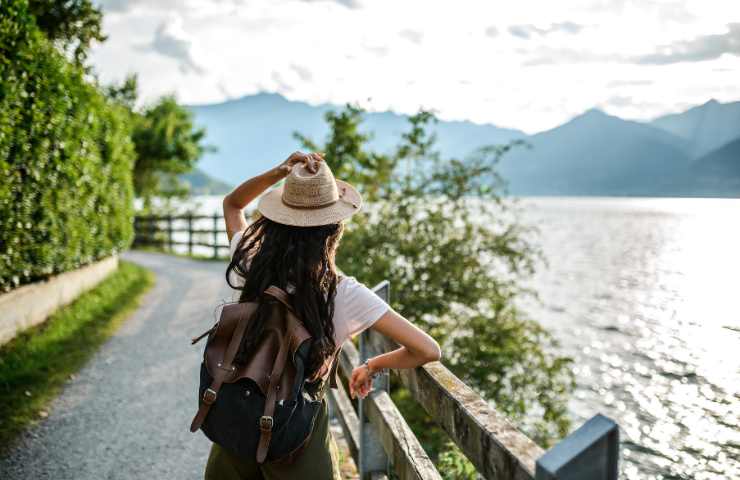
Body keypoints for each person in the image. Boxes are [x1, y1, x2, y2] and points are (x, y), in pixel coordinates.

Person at [203, 151, 442, 480]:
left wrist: (281, 170)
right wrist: (372, 365)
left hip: (237, 416)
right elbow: (427, 350)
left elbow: (232, 204)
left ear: (276, 219)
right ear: (334, 228)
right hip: (297, 431)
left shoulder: (251, 261)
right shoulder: (343, 292)